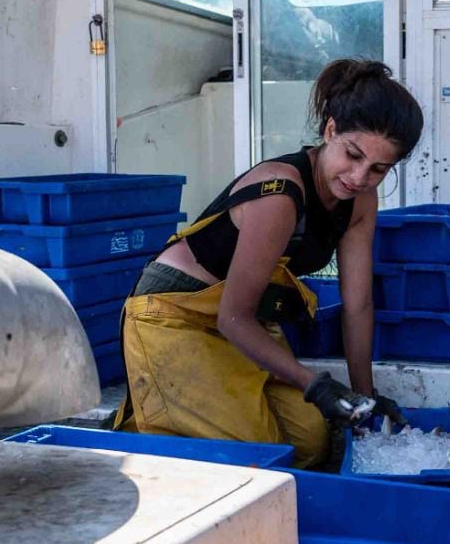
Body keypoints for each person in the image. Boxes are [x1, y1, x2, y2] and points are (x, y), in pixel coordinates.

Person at [113, 58, 421, 467]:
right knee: (261, 451)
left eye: (379, 169)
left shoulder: (360, 200)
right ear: (331, 131)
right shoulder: (280, 194)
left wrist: (366, 399)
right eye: (352, 155)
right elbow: (233, 318)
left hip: (246, 318)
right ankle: (137, 434)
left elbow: (358, 304)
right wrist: (315, 384)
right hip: (174, 314)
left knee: (311, 440)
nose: (359, 177)